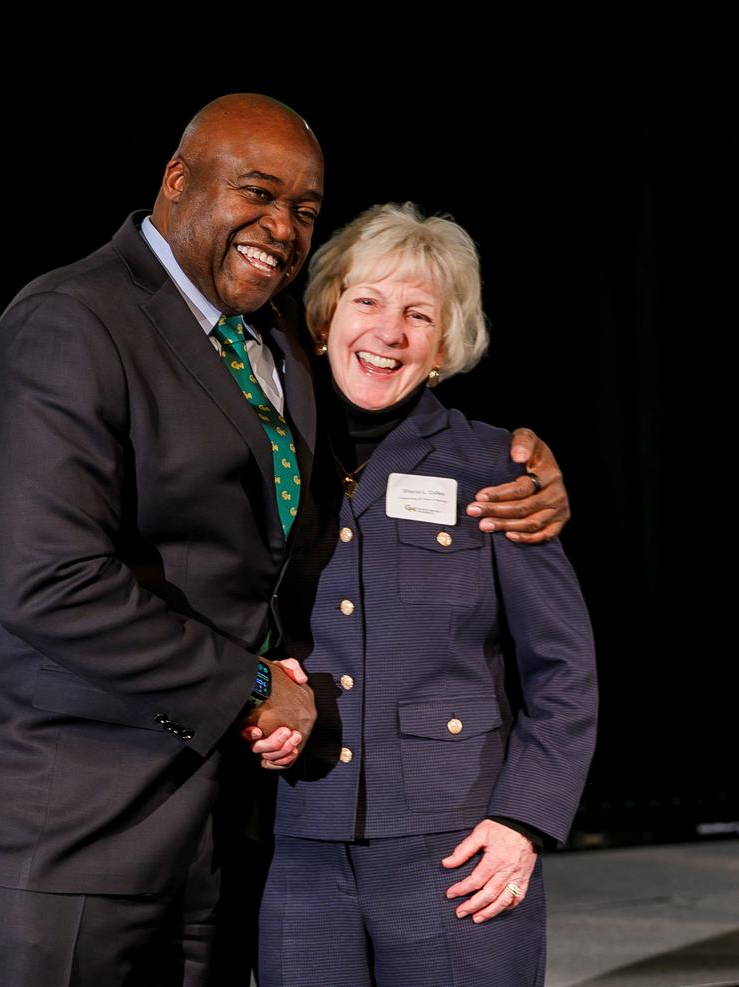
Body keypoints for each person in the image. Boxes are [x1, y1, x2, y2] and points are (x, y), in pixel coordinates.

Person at [0, 96, 570, 986]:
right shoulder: (71, 320)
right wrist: (252, 686)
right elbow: (48, 579)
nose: (281, 226)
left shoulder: (271, 345)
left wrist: (526, 467)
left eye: (305, 210)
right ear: (177, 180)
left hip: (226, 834)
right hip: (70, 825)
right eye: (258, 193)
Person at [254, 203, 598, 987]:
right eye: (367, 301)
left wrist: (521, 822)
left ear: (444, 344)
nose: (389, 331)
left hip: (457, 850)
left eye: (419, 314)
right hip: (300, 849)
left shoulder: (493, 466)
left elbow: (564, 672)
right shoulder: (266, 455)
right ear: (325, 314)